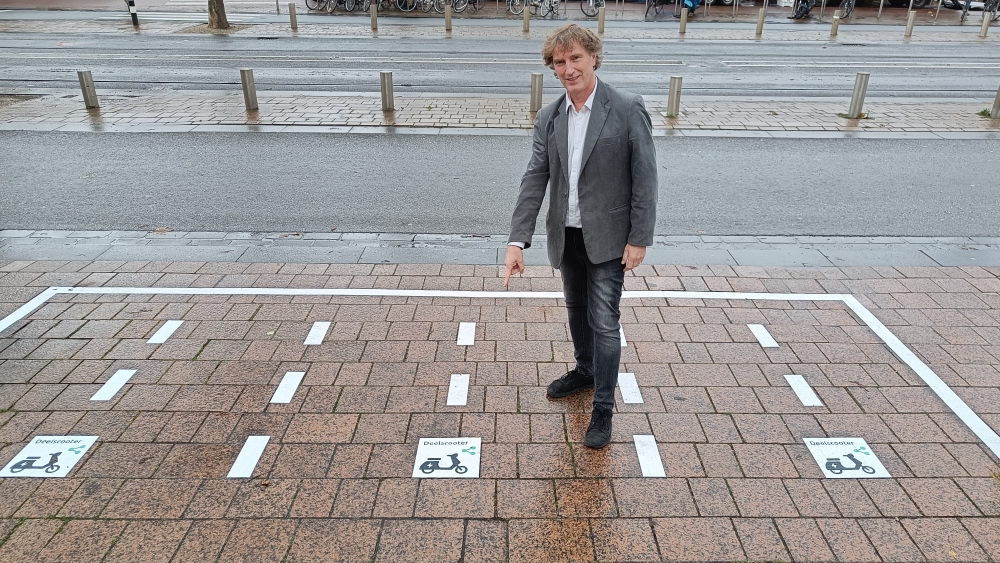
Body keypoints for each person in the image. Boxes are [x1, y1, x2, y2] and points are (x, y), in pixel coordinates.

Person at [503, 23, 658, 449]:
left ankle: (603, 409)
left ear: (593, 57)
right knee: (576, 310)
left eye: (575, 59)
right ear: (552, 68)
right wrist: (518, 240)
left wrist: (639, 238)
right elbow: (534, 178)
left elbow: (645, 180)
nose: (568, 69)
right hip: (566, 236)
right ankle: (585, 370)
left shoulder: (626, 108)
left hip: (610, 238)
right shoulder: (549, 117)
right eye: (560, 62)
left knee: (604, 321)